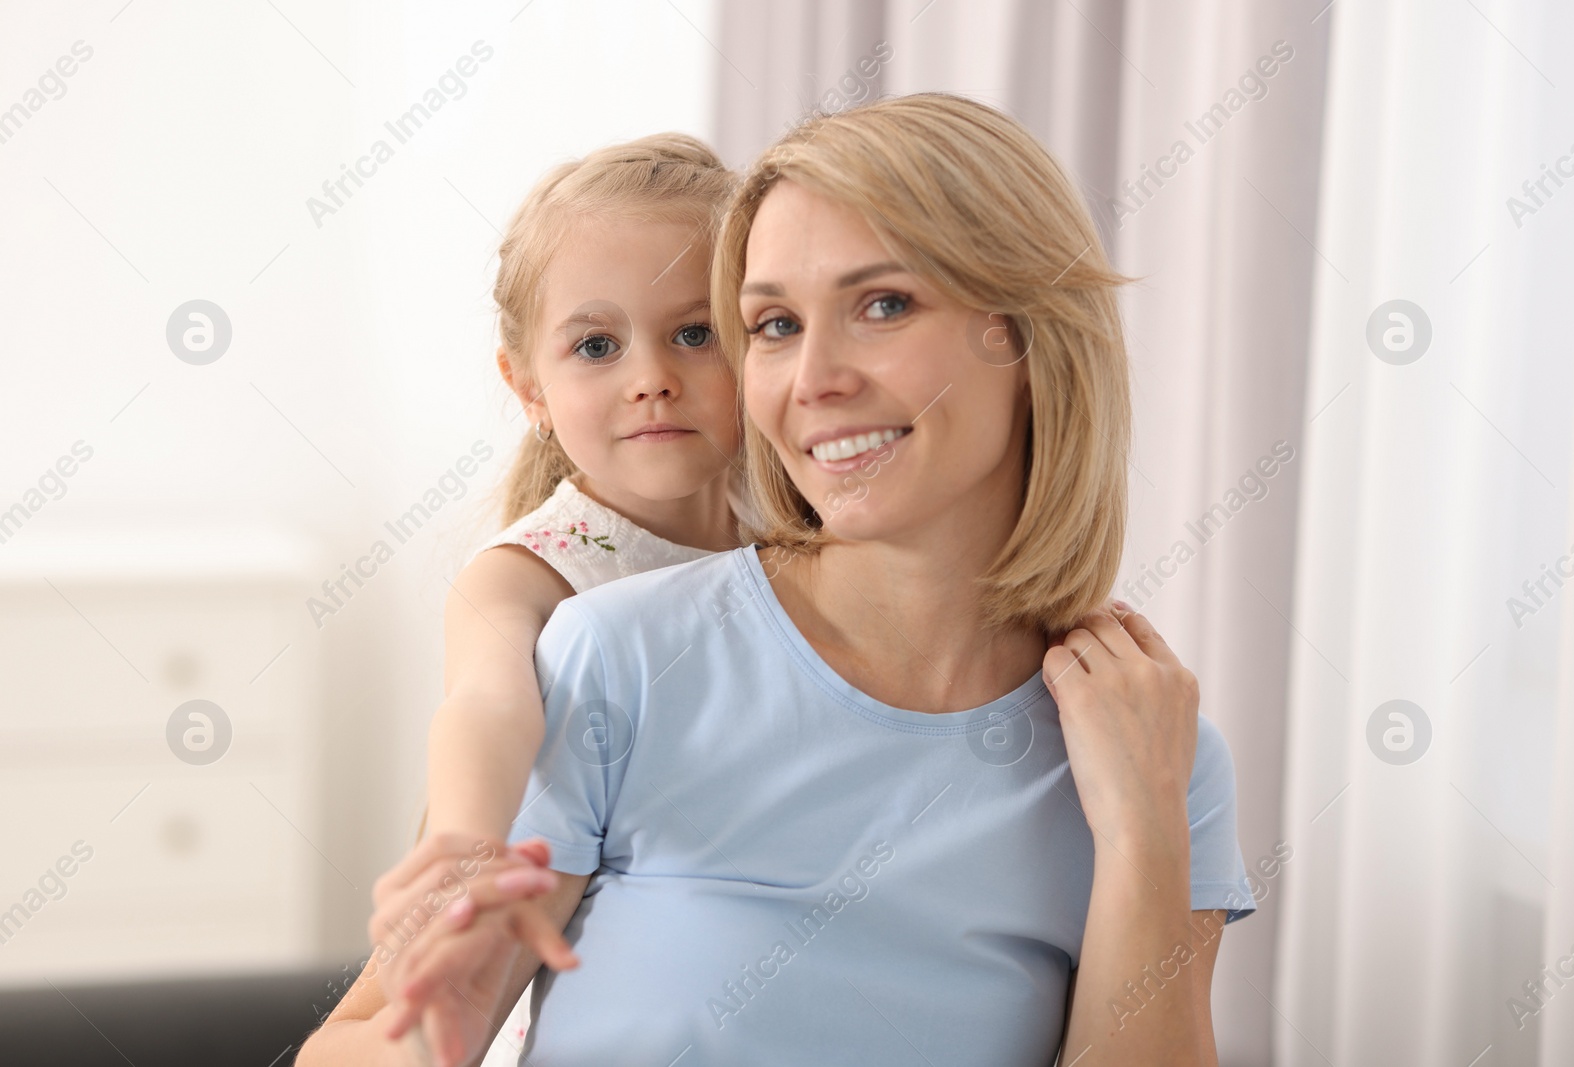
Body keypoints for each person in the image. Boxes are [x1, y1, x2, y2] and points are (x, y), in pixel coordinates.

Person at [314, 92, 1257, 1067]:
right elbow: (352, 1042)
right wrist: (432, 1040)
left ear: (1023, 331)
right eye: (771, 324)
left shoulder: (1155, 750)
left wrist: (1143, 835)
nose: (812, 378)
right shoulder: (615, 654)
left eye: (881, 304)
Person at [296, 132, 745, 1066]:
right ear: (528, 386)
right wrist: (466, 841)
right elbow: (487, 701)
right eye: (596, 344)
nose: (651, 373)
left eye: (695, 332)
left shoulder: (789, 530)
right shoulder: (532, 568)